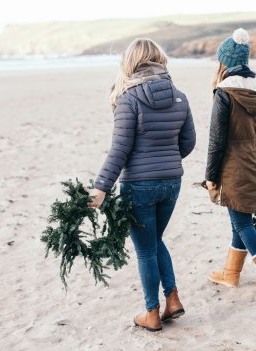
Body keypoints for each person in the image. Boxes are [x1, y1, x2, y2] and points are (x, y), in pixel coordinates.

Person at [88, 38, 196, 332]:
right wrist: (167, 160)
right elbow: (188, 143)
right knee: (155, 241)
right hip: (172, 183)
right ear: (159, 59)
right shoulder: (180, 96)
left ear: (130, 63)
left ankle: (152, 312)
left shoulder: (129, 99)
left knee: (146, 249)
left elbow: (119, 150)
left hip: (140, 186)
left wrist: (101, 187)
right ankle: (172, 298)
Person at [204, 28, 256, 300]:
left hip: (233, 165)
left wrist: (210, 175)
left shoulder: (224, 92)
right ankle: (231, 273)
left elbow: (216, 140)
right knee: (240, 218)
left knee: (242, 223)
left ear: (224, 62)